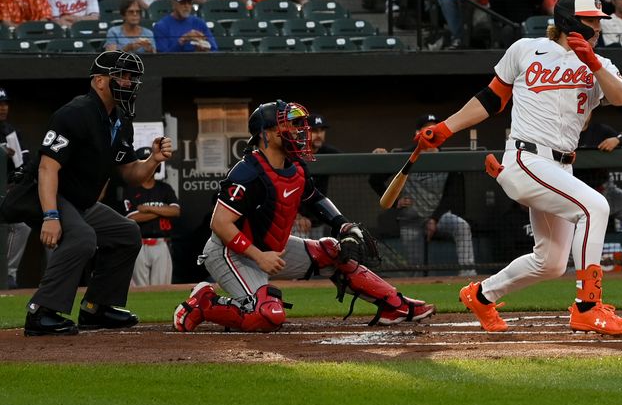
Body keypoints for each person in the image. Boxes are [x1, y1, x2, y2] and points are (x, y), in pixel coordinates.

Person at [417, 0, 622, 335]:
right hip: (527, 157)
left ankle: (481, 295)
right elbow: (490, 99)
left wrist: (592, 62)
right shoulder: (525, 49)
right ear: (570, 21)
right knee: (595, 207)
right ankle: (588, 306)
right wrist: (445, 127)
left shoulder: (600, 64)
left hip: (561, 166)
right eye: (591, 20)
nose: (597, 26)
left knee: (550, 263)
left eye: (598, 20)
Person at [172, 101, 435, 333]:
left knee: (333, 250)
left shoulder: (295, 166)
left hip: (273, 249)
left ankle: (395, 305)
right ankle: (204, 304)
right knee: (267, 316)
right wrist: (258, 256)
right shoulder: (247, 172)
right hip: (231, 252)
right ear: (267, 133)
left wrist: (342, 224)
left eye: (298, 125)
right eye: (290, 125)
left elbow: (315, 199)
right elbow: (219, 224)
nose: (298, 131)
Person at [18, 50, 173, 336]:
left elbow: (129, 173)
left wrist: (152, 161)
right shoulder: (74, 114)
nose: (129, 82)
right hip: (49, 194)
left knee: (126, 233)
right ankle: (41, 312)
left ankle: (96, 307)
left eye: (131, 78)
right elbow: (46, 169)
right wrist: (51, 215)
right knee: (82, 237)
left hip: (80, 201)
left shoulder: (119, 121)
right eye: (122, 76)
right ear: (99, 81)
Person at [369, 114, 476, 277]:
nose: (431, 133)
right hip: (411, 218)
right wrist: (395, 201)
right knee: (416, 268)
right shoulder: (407, 155)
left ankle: (468, 275)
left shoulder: (449, 159)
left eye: (434, 129)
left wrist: (434, 218)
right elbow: (375, 180)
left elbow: (451, 196)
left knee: (462, 226)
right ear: (418, 133)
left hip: (440, 216)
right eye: (427, 129)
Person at [122, 147, 180, 286]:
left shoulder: (164, 188)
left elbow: (175, 211)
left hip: (161, 243)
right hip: (139, 244)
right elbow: (132, 218)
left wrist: (148, 209)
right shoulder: (131, 189)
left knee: (162, 287)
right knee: (139, 288)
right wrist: (161, 210)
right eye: (145, 163)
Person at [575, 112, 622, 233]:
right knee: (571, 235)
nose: (584, 113)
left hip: (605, 191)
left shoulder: (600, 130)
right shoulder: (565, 133)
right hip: (577, 196)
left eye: (587, 110)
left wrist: (617, 140)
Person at [0, 88, 31, 290]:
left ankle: (8, 273)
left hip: (6, 190)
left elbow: (24, 162)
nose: (3, 108)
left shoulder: (11, 131)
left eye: (5, 104)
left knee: (22, 226)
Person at [294, 113, 341, 239]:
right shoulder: (294, 153)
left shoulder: (329, 152)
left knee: (317, 256)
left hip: (317, 219)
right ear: (304, 132)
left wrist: (375, 154)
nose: (319, 135)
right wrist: (297, 216)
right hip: (296, 220)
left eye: (322, 130)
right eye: (314, 130)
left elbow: (353, 162)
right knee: (298, 256)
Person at [153, 0, 217, 53]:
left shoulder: (199, 23)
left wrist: (204, 46)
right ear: (173, 3)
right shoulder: (161, 26)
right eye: (182, 2)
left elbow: (214, 49)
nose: (186, 6)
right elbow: (162, 57)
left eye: (189, 2)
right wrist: (182, 40)